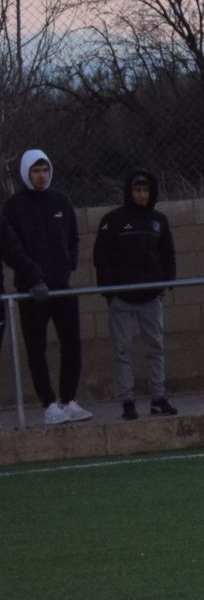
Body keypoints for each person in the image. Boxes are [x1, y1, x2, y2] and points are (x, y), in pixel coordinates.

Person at [2, 149, 92, 424]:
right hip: (32, 292)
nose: (41, 176)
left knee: (72, 344)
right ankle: (49, 404)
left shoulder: (61, 201)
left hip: (61, 287)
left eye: (44, 170)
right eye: (35, 171)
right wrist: (33, 277)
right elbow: (10, 247)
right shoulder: (14, 207)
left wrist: (68, 266)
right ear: (26, 173)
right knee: (36, 348)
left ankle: (68, 399)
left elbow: (73, 238)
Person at [91, 168, 179, 420]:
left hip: (151, 297)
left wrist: (166, 283)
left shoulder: (159, 220)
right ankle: (127, 400)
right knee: (122, 349)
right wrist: (108, 292)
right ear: (130, 192)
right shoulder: (113, 220)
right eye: (137, 190)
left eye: (145, 190)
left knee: (155, 347)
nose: (141, 195)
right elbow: (101, 257)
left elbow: (168, 254)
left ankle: (158, 397)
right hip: (121, 297)